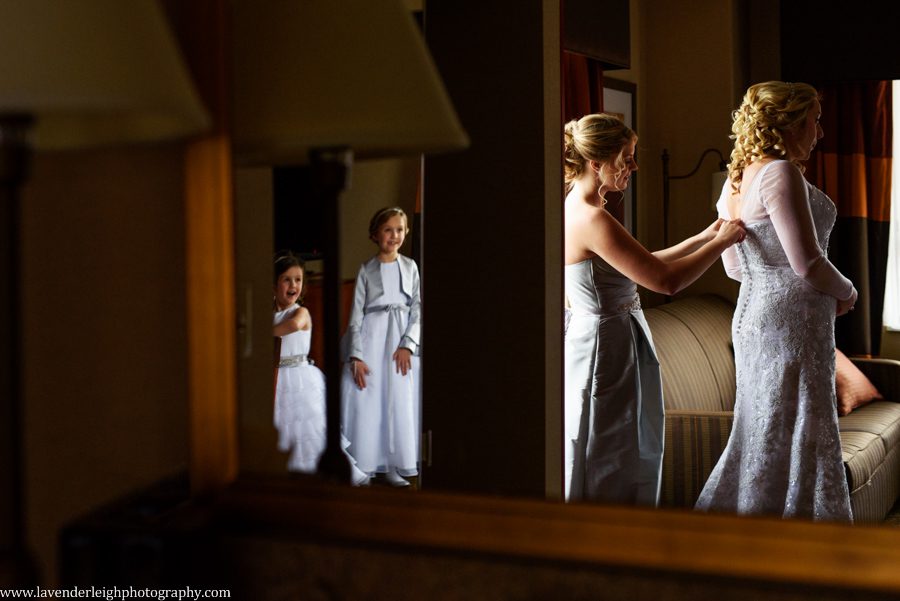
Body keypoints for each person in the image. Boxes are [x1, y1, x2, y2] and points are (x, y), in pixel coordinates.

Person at [694, 82, 857, 522]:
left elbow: (733, 266)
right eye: (814, 121)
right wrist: (847, 292)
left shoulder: (734, 182)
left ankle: (752, 523)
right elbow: (808, 262)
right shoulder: (780, 172)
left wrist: (771, 283)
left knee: (763, 425)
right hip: (793, 323)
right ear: (790, 123)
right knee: (800, 423)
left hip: (755, 313)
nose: (819, 133)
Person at [564, 113, 746, 505]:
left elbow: (640, 264)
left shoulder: (579, 207)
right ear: (596, 162)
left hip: (610, 339)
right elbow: (665, 281)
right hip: (606, 348)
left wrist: (703, 237)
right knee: (612, 449)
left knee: (622, 444)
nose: (633, 167)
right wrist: (722, 243)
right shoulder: (592, 218)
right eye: (626, 158)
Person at [341, 207, 422, 487]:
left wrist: (408, 344)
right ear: (375, 234)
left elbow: (417, 309)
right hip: (373, 340)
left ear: (406, 232)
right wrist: (356, 355)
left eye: (399, 230)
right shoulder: (366, 270)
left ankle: (394, 464)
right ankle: (371, 463)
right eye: (388, 230)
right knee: (373, 400)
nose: (394, 235)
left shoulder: (410, 267)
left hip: (400, 341)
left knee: (398, 400)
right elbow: (356, 316)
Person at [272, 251, 368, 484]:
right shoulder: (270, 315)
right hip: (275, 376)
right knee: (281, 430)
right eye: (286, 280)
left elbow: (292, 326)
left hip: (299, 378)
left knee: (308, 432)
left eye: (298, 280)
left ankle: (317, 477)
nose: (293, 285)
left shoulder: (300, 313)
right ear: (274, 284)